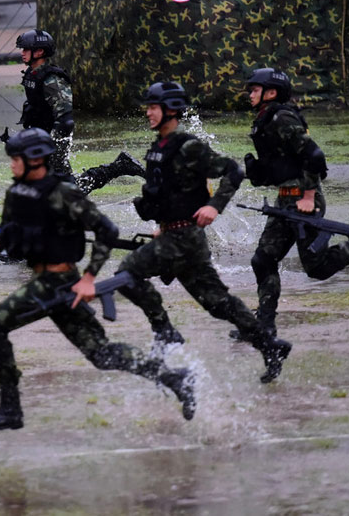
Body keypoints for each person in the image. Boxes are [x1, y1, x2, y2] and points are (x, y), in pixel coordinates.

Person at [0, 128, 195, 430]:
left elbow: (107, 231)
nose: (11, 163)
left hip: (60, 281)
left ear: (35, 160)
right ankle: (174, 377)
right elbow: (7, 224)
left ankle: (11, 408)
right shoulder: (18, 190)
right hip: (47, 282)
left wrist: (89, 278)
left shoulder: (64, 193)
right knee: (101, 353)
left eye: (16, 158)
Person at [116, 82, 292, 383]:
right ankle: (269, 344)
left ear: (171, 110)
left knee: (125, 275)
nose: (148, 113)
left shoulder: (189, 147)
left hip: (184, 238)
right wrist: (161, 227)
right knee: (216, 302)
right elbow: (168, 197)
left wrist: (214, 206)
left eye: (153, 107)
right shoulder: (157, 150)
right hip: (177, 237)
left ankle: (165, 331)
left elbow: (233, 171)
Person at [242, 68, 349, 339]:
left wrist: (307, 197)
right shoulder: (267, 119)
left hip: (305, 199)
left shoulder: (282, 118)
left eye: (254, 90)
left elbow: (314, 156)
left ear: (271, 92)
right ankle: (265, 324)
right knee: (263, 259)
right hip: (284, 202)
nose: (250, 94)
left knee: (317, 268)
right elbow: (280, 164)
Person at [15, 29, 144, 194]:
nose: (22, 53)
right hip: (42, 137)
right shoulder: (32, 74)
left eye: (26, 49)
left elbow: (65, 118)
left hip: (54, 139)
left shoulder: (52, 79)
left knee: (69, 190)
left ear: (39, 51)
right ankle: (119, 166)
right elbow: (36, 107)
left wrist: (53, 144)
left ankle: (118, 167)